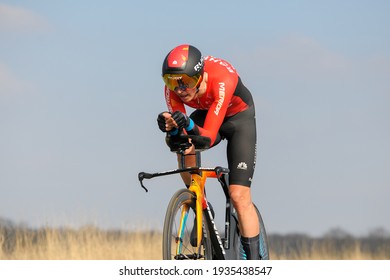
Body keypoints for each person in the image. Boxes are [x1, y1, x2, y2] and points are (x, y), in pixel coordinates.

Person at [157, 44, 260, 259]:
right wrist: (171, 130)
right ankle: (200, 204)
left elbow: (208, 137)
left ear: (200, 76)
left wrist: (187, 127)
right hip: (207, 114)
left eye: (186, 82)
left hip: (238, 120)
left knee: (239, 196)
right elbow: (182, 134)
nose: (179, 90)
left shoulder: (222, 79)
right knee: (183, 146)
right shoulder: (175, 87)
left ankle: (254, 267)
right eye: (171, 82)